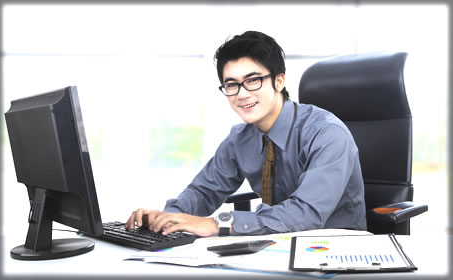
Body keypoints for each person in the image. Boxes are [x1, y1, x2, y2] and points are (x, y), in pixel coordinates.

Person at [126, 31, 367, 237]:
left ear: (279, 81)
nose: (241, 94)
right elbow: (204, 191)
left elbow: (306, 214)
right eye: (231, 84)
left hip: (335, 250)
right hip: (274, 247)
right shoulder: (240, 139)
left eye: (253, 80)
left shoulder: (327, 133)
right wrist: (166, 218)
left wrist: (216, 224)